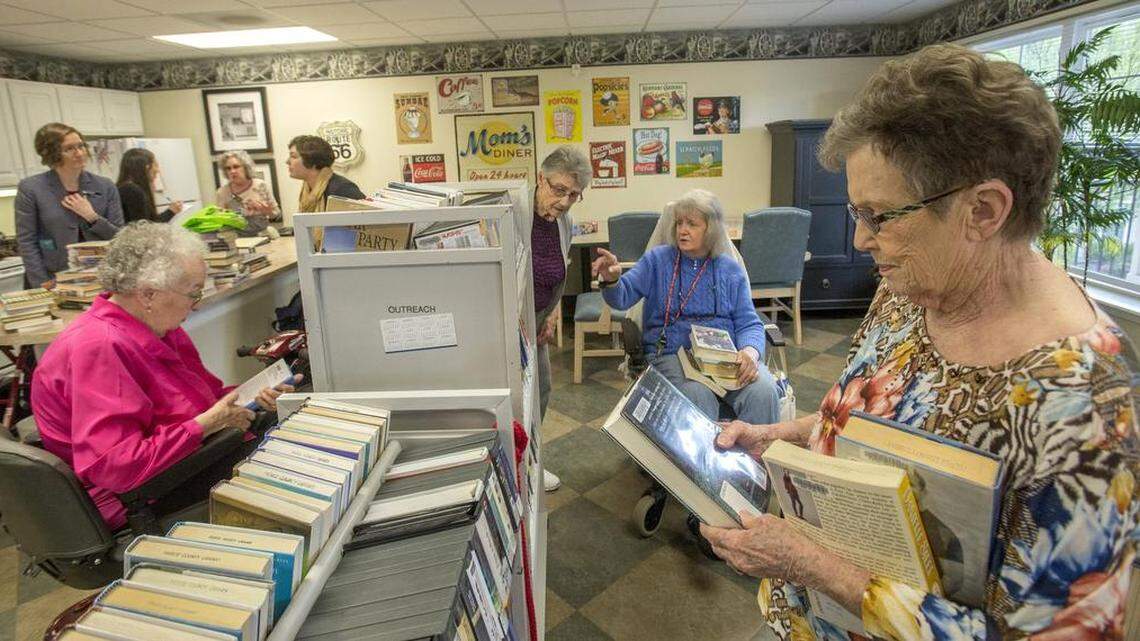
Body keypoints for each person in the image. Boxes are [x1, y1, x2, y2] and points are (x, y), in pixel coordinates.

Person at [700, 44, 1139, 640]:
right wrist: (778, 434)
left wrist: (815, 567)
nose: (859, 239)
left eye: (879, 215)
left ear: (983, 211)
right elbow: (881, 422)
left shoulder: (1084, 408)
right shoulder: (914, 284)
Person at [31, 222, 298, 531]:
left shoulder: (159, 327)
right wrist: (207, 424)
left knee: (291, 431)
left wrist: (253, 396)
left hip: (182, 459)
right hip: (141, 493)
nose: (196, 305)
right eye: (193, 293)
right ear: (148, 294)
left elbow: (206, 397)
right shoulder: (99, 348)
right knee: (292, 463)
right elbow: (116, 467)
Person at [592, 189, 781, 426]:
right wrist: (611, 280)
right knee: (697, 396)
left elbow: (749, 322)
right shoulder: (657, 261)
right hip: (672, 353)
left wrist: (750, 353)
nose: (682, 229)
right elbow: (622, 297)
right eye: (679, 222)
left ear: (710, 229)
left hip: (724, 356)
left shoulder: (729, 269)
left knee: (763, 391)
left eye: (692, 224)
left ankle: (752, 461)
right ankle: (701, 463)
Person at [531, 146, 591, 492]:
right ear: (541, 178)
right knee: (515, 400)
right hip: (509, 322)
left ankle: (531, 465)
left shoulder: (563, 220)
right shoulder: (516, 213)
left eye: (574, 194)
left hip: (538, 318)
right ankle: (516, 470)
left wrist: (553, 310)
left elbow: (558, 268)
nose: (566, 201)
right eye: (559, 190)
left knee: (541, 391)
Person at [15, 122, 124, 289]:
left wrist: (92, 217)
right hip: (52, 279)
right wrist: (41, 282)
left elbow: (119, 237)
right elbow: (27, 241)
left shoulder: (105, 186)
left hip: (99, 279)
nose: (79, 153)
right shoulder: (31, 188)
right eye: (69, 149)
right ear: (52, 154)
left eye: (81, 146)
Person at [287, 135, 364, 213]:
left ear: (312, 159)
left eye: (293, 156)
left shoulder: (342, 189)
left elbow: (368, 221)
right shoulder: (307, 190)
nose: (287, 161)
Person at [215, 150, 280, 236]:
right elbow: (220, 223)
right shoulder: (222, 192)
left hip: (262, 235)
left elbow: (276, 215)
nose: (232, 171)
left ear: (246, 167)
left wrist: (267, 211)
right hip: (237, 239)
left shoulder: (260, 185)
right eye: (228, 168)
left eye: (236, 167)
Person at [117, 148, 183, 224]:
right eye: (155, 165)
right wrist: (171, 211)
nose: (157, 170)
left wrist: (171, 211)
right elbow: (145, 228)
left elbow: (149, 222)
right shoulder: (132, 190)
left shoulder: (126, 187)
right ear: (146, 167)